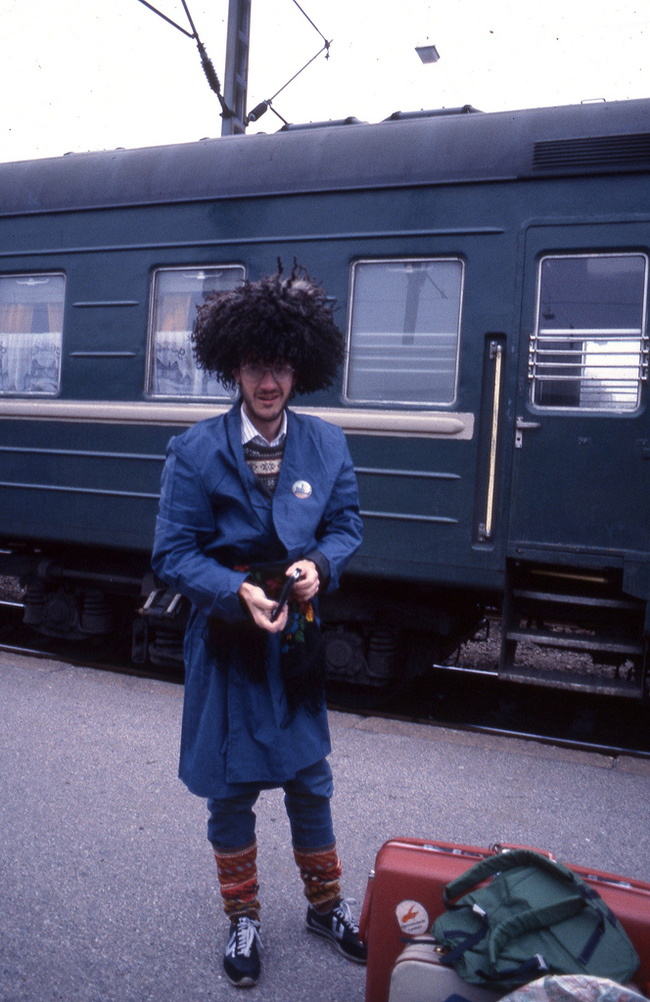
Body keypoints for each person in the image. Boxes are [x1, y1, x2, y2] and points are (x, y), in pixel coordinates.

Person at [151, 264, 366, 988]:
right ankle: (242, 916)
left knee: (311, 779)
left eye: (278, 367)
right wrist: (231, 589)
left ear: (296, 368)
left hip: (295, 638)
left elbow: (346, 525)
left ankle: (325, 904)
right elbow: (172, 553)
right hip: (228, 638)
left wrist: (322, 568)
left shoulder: (328, 444)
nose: (267, 382)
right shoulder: (194, 451)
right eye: (253, 367)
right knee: (231, 787)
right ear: (233, 369)